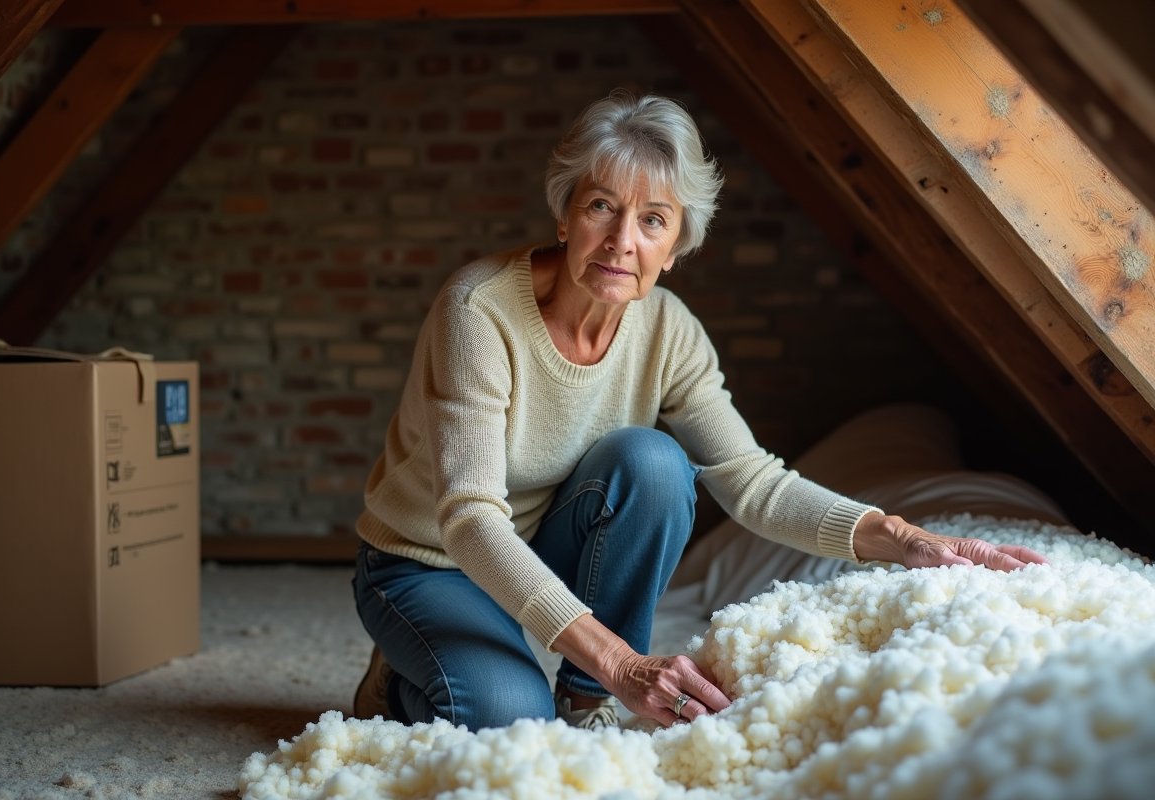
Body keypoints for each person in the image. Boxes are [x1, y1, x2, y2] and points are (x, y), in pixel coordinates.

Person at [351, 90, 1047, 733]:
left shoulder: (669, 330)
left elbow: (753, 482)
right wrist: (623, 662)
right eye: (601, 207)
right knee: (509, 719)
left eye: (652, 220)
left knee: (654, 464)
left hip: (535, 547)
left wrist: (902, 538)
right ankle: (399, 678)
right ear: (564, 215)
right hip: (426, 560)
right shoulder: (478, 311)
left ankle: (586, 698)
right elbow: (471, 519)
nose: (622, 240)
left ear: (677, 247)